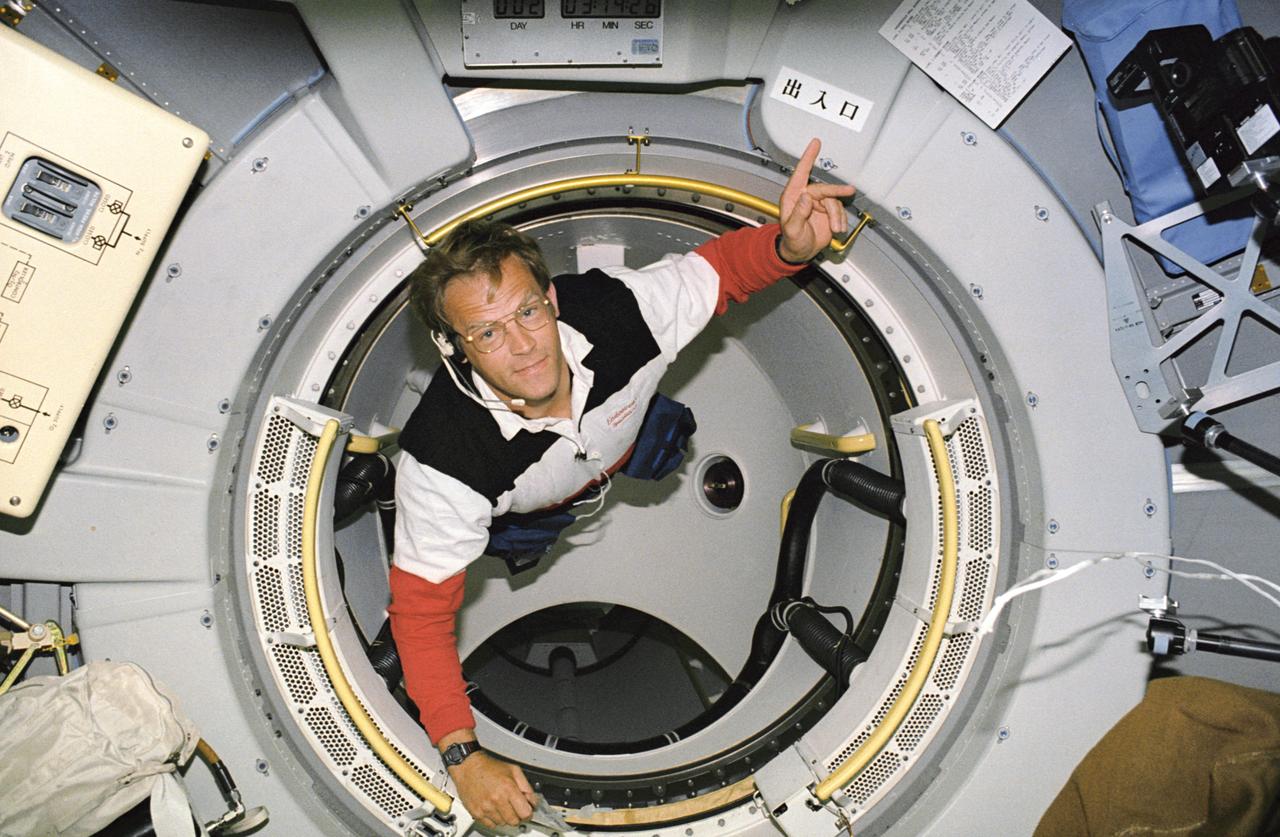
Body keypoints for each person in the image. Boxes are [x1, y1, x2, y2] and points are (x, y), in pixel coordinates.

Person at [387, 138, 854, 829]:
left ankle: (630, 451)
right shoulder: (443, 462)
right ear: (453, 347)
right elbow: (420, 621)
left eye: (526, 312)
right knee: (520, 540)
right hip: (525, 500)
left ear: (550, 299)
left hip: (619, 438)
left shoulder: (617, 312)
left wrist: (788, 246)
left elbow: (720, 272)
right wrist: (463, 754)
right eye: (486, 334)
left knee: (665, 437)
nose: (522, 345)